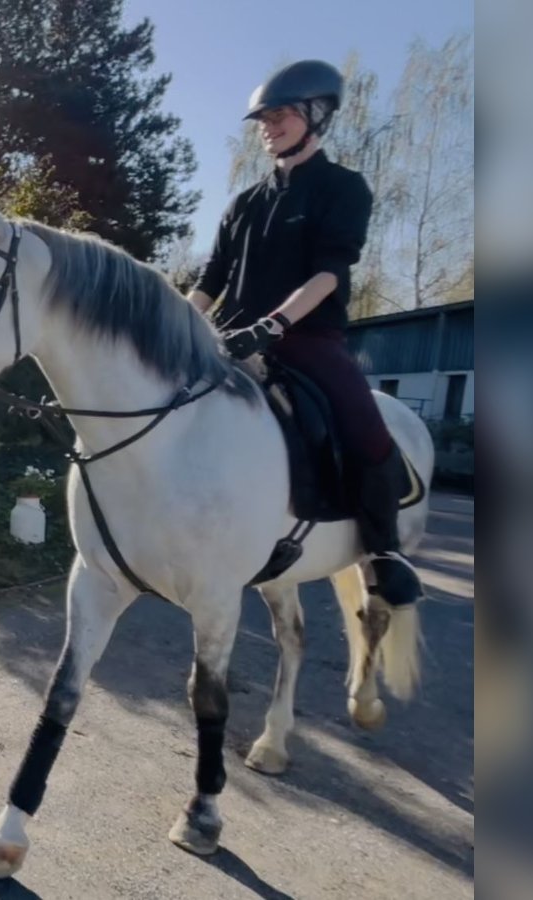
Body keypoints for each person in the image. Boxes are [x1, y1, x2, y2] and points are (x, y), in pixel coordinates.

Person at [187, 59, 422, 607]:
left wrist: (274, 324)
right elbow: (211, 279)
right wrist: (178, 323)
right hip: (230, 339)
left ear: (317, 117)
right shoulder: (245, 203)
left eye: (281, 116)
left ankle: (384, 550)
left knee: (365, 429)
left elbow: (329, 273)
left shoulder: (343, 189)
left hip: (305, 338)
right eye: (264, 120)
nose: (268, 127)